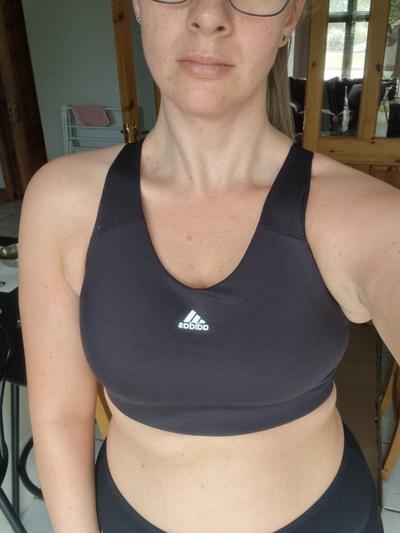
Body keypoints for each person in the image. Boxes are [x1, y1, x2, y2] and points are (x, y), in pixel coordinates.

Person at [18, 0, 398, 531]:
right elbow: (61, 417)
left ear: (290, 17)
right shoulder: (62, 202)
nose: (209, 14)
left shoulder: (364, 215)